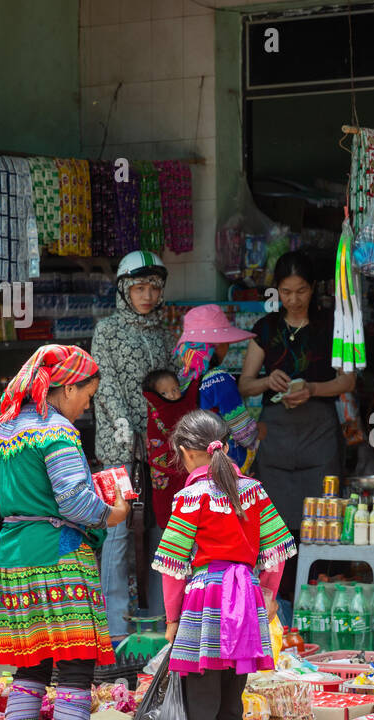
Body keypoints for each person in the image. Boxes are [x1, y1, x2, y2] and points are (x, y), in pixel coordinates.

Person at [0, 344, 129, 720]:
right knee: (74, 664)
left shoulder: (4, 429)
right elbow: (73, 499)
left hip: (14, 555)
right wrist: (113, 512)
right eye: (86, 394)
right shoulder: (56, 431)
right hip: (59, 553)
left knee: (30, 664)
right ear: (66, 387)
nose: (87, 405)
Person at [151, 410, 296, 720]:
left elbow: (172, 566)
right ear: (227, 447)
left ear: (185, 453)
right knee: (232, 698)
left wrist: (172, 619)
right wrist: (265, 598)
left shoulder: (191, 497)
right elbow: (277, 554)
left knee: (202, 700)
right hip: (246, 598)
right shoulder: (254, 492)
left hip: (205, 599)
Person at [238, 252, 356, 562]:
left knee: (322, 522)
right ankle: (281, 599)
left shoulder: (331, 327)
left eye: (301, 290)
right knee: (275, 529)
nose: (294, 299)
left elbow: (348, 382)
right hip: (275, 440)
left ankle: (319, 586)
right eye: (286, 291)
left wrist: (313, 389)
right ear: (277, 289)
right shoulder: (264, 329)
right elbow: (245, 384)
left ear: (313, 287)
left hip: (319, 436)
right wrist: (267, 382)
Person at [92, 250, 179, 639]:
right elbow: (104, 385)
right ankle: (116, 626)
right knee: (118, 530)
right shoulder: (106, 331)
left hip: (162, 447)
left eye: (153, 288)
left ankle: (163, 620)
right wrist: (127, 429)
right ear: (124, 290)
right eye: (139, 287)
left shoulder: (164, 333)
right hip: (117, 448)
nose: (147, 295)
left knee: (163, 529)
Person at [172, 304, 260, 473]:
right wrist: (259, 432)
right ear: (219, 346)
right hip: (222, 466)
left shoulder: (181, 379)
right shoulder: (220, 380)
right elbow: (243, 432)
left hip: (192, 464)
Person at [142, 367, 200, 532]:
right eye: (165, 393)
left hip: (183, 469)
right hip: (165, 471)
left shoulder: (182, 404)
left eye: (175, 389)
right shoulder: (158, 409)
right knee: (167, 507)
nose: (173, 395)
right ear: (154, 395)